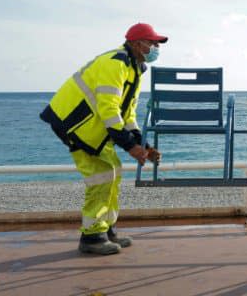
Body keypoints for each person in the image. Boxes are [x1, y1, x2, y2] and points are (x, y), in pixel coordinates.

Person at [40, 23, 167, 255]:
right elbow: (109, 109)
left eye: (157, 44)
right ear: (136, 43)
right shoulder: (115, 63)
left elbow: (127, 115)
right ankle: (91, 238)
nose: (156, 47)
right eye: (152, 43)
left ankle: (106, 230)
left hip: (93, 127)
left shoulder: (134, 68)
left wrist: (144, 146)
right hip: (74, 125)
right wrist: (130, 147)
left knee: (114, 172)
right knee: (102, 176)